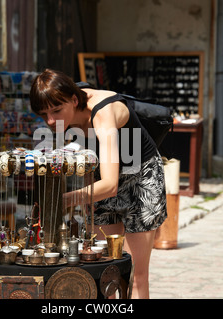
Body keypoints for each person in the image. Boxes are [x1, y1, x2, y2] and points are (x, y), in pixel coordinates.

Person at [30, 69, 167, 299]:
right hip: (100, 183)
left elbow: (110, 184)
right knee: (106, 274)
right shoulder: (67, 103)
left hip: (140, 180)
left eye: (56, 111)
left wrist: (64, 200)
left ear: (74, 100)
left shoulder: (102, 114)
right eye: (44, 115)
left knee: (134, 275)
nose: (51, 121)